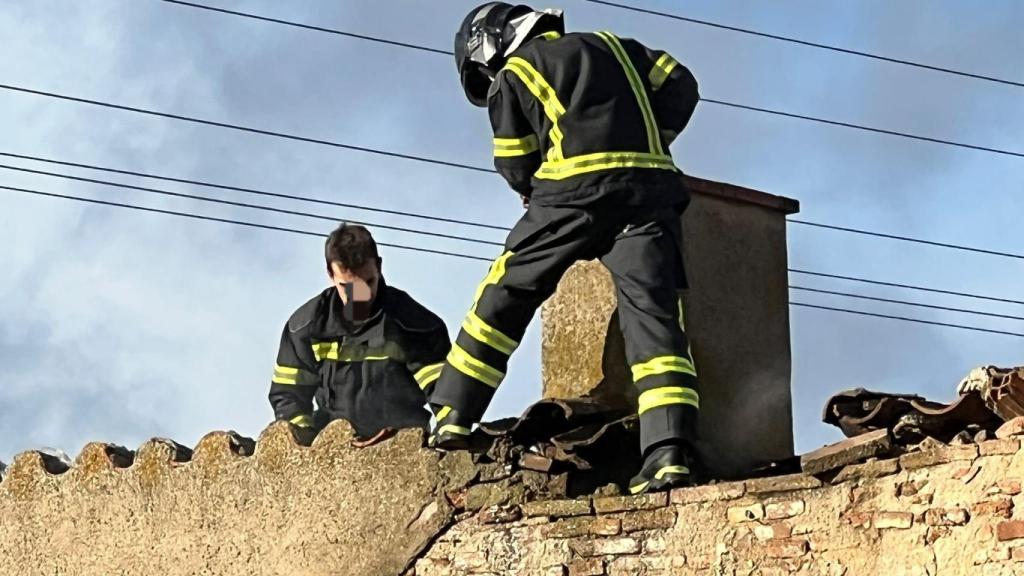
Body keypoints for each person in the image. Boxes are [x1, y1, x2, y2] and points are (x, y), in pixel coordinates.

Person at [431, 3, 702, 494]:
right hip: (650, 192)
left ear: (489, 46)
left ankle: (451, 414)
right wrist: (651, 142)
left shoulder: (515, 71)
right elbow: (681, 82)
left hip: (572, 192)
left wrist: (536, 190)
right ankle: (668, 455)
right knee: (654, 316)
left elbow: (515, 161)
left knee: (509, 289)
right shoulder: (616, 45)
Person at [269, 223, 451, 438]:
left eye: (368, 282)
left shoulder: (416, 325)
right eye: (349, 287)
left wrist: (447, 437)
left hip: (401, 450)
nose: (360, 296)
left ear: (380, 267)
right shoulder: (306, 327)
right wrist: (305, 444)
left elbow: (447, 397)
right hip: (332, 452)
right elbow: (289, 397)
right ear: (330, 274)